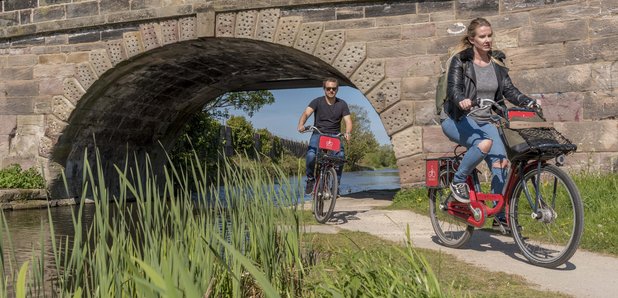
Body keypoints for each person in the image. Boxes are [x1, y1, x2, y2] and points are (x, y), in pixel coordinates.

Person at [440, 17, 539, 225]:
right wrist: (462, 100)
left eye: (489, 35)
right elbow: (453, 89)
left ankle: (499, 215)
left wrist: (528, 102)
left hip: (485, 121)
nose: (487, 40)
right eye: (482, 36)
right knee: (484, 143)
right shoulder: (461, 61)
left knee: (501, 163)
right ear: (472, 39)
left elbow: (510, 91)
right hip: (457, 118)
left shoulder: (496, 64)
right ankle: (458, 182)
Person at [297, 77, 352, 195]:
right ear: (324, 89)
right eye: (328, 88)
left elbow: (348, 121)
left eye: (334, 88)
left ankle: (335, 185)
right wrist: (301, 124)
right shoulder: (317, 101)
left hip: (334, 135)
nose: (331, 90)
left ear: (337, 89)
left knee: (341, 157)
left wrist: (348, 132)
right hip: (319, 133)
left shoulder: (342, 104)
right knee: (311, 155)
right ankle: (311, 180)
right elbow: (306, 113)